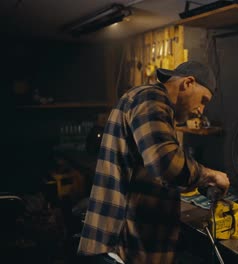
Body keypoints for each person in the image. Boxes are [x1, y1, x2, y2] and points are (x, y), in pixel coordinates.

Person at [77, 61, 230, 264]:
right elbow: (165, 164)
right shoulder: (151, 98)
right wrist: (210, 175)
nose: (201, 110)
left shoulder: (150, 103)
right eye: (203, 100)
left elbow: (151, 169)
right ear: (188, 83)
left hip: (130, 246)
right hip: (121, 248)